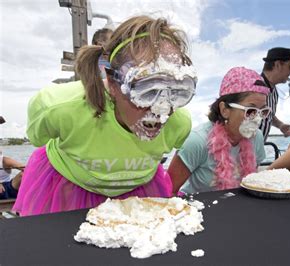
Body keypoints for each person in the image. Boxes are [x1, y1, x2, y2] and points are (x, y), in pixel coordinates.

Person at [13, 16, 197, 216]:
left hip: (139, 190)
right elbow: (37, 138)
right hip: (70, 187)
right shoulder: (59, 108)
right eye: (146, 90)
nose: (162, 110)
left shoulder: (179, 123)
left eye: (177, 91)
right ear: (111, 82)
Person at [168, 67, 269, 195]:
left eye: (263, 111)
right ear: (224, 110)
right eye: (251, 111)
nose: (258, 118)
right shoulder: (197, 141)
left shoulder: (257, 137)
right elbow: (168, 191)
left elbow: (251, 179)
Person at [259, 47, 290, 141]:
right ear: (277, 65)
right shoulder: (254, 87)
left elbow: (268, 114)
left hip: (256, 153)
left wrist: (280, 125)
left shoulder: (274, 92)